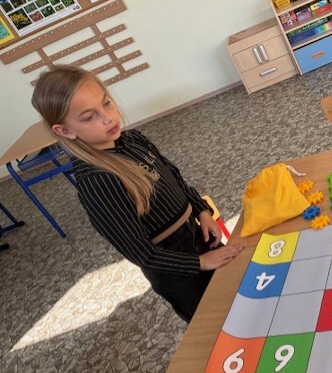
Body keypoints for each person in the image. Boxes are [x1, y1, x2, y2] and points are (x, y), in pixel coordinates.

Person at [31, 64, 243, 322]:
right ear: (65, 131)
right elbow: (142, 254)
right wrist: (201, 263)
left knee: (239, 290)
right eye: (89, 117)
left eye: (106, 103)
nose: (108, 118)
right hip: (176, 270)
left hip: (197, 234)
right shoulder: (97, 181)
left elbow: (172, 174)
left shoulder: (132, 138)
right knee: (215, 322)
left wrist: (201, 211)